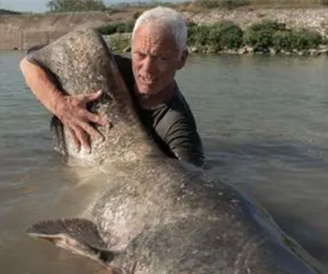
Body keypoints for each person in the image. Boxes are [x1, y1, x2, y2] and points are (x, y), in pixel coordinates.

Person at [19, 6, 205, 168]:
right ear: (130, 48)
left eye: (161, 58)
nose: (146, 69)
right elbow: (28, 64)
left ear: (181, 59)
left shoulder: (177, 127)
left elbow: (193, 180)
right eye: (140, 55)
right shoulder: (111, 68)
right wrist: (61, 105)